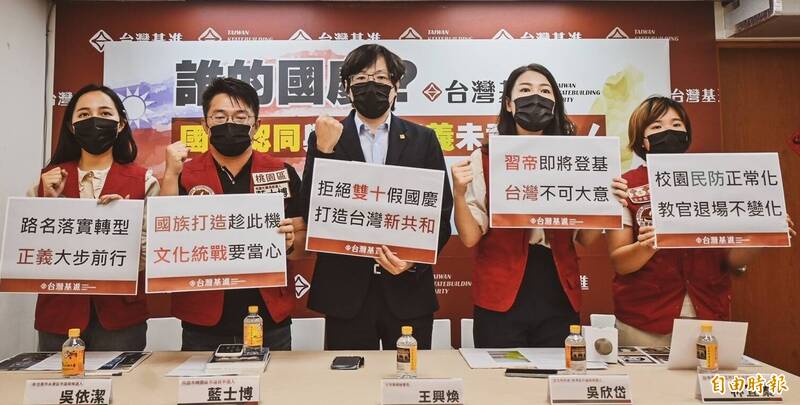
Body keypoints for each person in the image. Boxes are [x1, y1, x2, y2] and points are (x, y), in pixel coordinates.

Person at [450, 64, 628, 348]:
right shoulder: (484, 158)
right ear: (509, 104)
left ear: (555, 104)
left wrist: (608, 203)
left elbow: (585, 238)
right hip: (499, 291)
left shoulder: (577, 158)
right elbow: (470, 237)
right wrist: (459, 195)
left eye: (545, 91)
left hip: (559, 288)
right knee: (500, 375)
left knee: (559, 371)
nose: (536, 97)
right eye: (525, 90)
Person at [606, 96, 796, 346]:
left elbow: (732, 260)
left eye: (677, 125)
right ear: (642, 140)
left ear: (687, 133)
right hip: (644, 318)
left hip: (708, 312)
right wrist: (648, 245)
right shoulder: (625, 186)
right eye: (656, 126)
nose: (669, 131)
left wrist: (764, 235)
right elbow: (620, 262)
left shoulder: (716, 180)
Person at [301, 44, 452, 350]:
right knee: (350, 379)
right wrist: (324, 152)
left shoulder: (423, 139)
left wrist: (414, 261)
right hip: (346, 294)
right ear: (347, 88)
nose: (371, 86)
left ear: (396, 87)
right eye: (360, 78)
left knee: (409, 375)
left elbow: (441, 213)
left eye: (381, 78)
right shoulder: (326, 137)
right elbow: (310, 212)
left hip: (408, 290)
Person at [161, 77, 302, 351]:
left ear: (256, 125)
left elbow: (303, 247)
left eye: (240, 117)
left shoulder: (282, 172)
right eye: (219, 116)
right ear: (205, 125)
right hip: (203, 320)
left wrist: (290, 242)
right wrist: (169, 175)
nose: (230, 124)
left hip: (269, 318)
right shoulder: (184, 175)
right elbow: (163, 238)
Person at [33, 84, 158, 351]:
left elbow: (153, 254)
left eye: (104, 113)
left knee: (121, 379)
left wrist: (122, 224)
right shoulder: (47, 180)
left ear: (121, 124)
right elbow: (32, 252)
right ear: (71, 126)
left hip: (120, 318)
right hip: (58, 315)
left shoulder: (144, 180)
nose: (94, 121)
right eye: (84, 115)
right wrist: (50, 205)